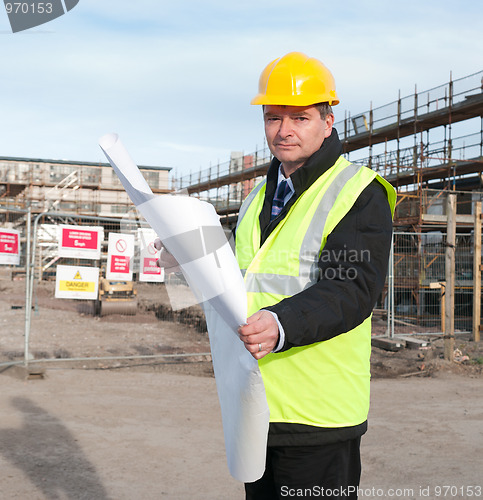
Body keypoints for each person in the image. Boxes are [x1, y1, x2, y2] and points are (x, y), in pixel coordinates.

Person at [157, 51, 395, 499]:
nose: (284, 130)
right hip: (255, 403)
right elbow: (240, 278)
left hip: (317, 412)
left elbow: (352, 288)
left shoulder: (358, 191)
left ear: (327, 121)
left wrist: (282, 324)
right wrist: (184, 264)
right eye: (273, 117)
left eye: (300, 117)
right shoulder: (259, 196)